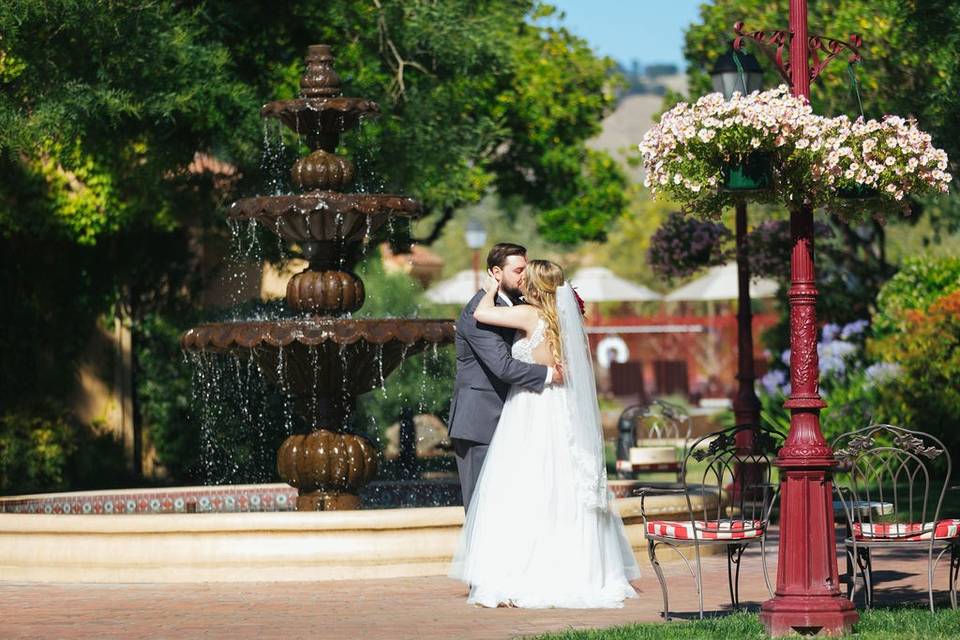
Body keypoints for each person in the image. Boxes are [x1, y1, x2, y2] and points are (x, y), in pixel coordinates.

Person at [449, 259, 640, 609]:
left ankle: (523, 570)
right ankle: (575, 568)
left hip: (530, 407)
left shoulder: (529, 316)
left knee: (525, 484)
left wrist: (491, 285)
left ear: (535, 286)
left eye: (526, 277)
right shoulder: (564, 322)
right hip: (560, 408)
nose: (520, 281)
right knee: (561, 482)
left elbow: (482, 313)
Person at [447, 243, 562, 510]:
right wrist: (550, 374)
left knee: (509, 507)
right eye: (519, 270)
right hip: (480, 422)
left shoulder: (522, 306)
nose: (525, 276)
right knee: (481, 508)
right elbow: (503, 366)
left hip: (515, 418)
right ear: (495, 273)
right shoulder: (479, 311)